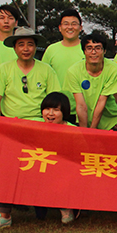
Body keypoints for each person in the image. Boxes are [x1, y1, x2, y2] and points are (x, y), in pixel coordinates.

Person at [0, 27, 61, 233]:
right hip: (11, 127)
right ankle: (4, 215)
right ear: (14, 47)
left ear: (35, 47)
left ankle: (55, 207)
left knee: (45, 167)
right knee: (6, 170)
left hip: (40, 126)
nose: (26, 49)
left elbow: (54, 100)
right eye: (21, 44)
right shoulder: (4, 69)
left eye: (30, 44)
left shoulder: (46, 70)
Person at [65, 33, 117, 130]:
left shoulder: (114, 69)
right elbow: (80, 105)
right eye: (89, 48)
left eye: (98, 48)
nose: (93, 52)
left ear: (104, 51)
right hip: (84, 119)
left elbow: (101, 102)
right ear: (84, 51)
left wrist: (92, 131)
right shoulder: (73, 71)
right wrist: (85, 132)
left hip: (110, 121)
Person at [39, 92, 79, 225]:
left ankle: (66, 208)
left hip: (65, 171)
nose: (50, 114)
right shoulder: (35, 126)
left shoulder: (73, 131)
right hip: (41, 167)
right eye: (47, 109)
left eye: (56, 110)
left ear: (64, 112)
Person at [41, 9, 85, 123]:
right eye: (66, 24)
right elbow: (43, 77)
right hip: (55, 111)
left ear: (80, 27)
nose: (70, 27)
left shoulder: (87, 50)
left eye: (74, 24)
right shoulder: (51, 50)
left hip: (81, 110)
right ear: (60, 28)